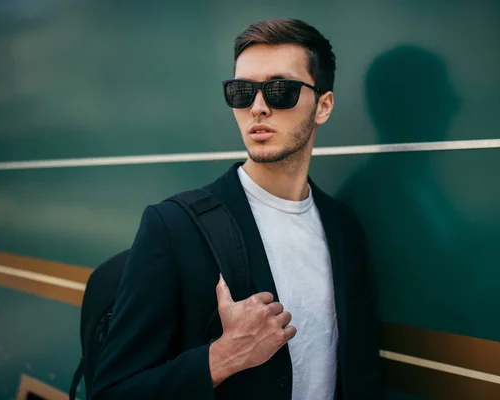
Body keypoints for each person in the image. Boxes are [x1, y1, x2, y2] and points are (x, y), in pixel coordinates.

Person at [91, 18, 381, 400]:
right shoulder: (175, 227)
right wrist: (221, 358)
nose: (257, 108)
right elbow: (112, 392)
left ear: (323, 106)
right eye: (242, 91)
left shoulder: (343, 227)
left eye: (281, 90)